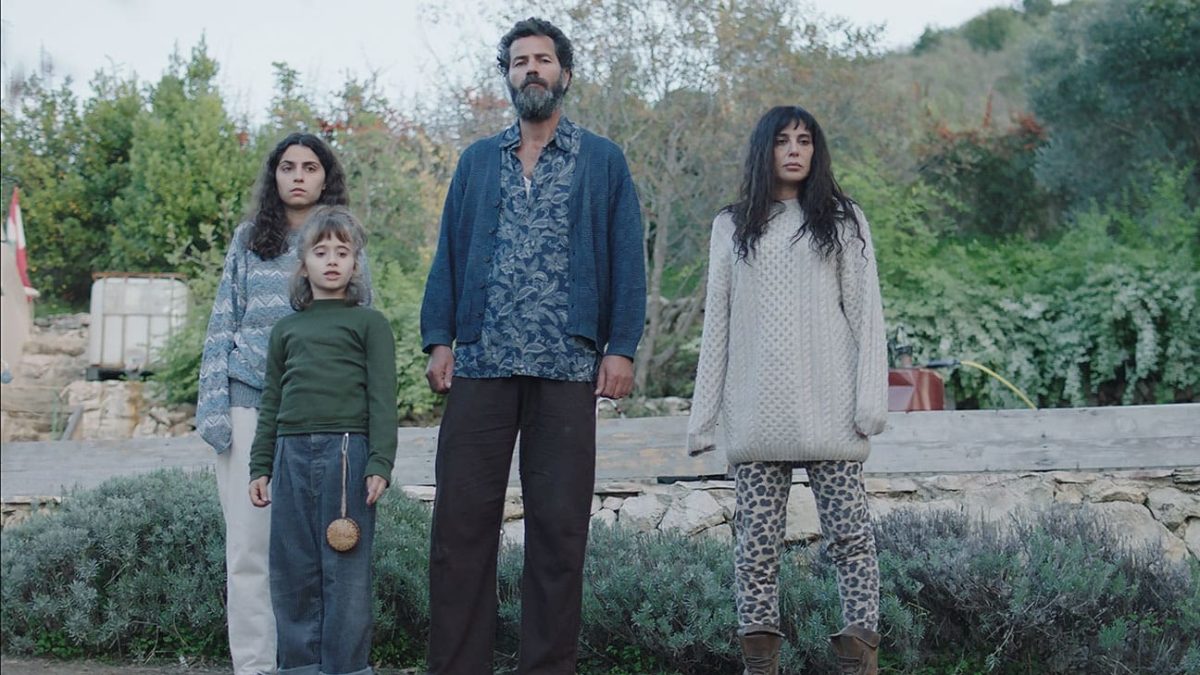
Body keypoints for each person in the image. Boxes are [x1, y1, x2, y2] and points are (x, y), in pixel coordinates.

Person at [419, 16, 646, 674]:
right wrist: (439, 338)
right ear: (509, 77)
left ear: (564, 74)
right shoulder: (476, 161)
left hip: (566, 365)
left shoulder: (601, 160)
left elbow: (626, 257)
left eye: (543, 60)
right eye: (520, 62)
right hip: (482, 361)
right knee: (460, 526)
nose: (532, 70)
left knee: (558, 532)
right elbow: (449, 253)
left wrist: (621, 346)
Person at [686, 106, 888, 675]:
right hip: (756, 413)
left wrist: (870, 403)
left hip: (833, 410)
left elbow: (866, 315)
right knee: (755, 547)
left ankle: (861, 661)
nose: (795, 150)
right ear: (764, 150)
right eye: (782, 141)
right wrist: (703, 419)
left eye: (804, 140)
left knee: (851, 539)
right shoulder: (731, 226)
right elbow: (718, 323)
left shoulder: (843, 220)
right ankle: (760, 666)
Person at [196, 132, 363, 675]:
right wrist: (214, 408)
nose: (298, 176)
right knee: (249, 546)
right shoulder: (250, 239)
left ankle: (308, 662)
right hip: (249, 405)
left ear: (325, 177)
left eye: (310, 167)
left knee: (311, 552)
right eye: (287, 166)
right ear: (274, 176)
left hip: (317, 416)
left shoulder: (339, 239)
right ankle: (254, 665)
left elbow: (360, 327)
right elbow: (222, 321)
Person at [248, 206, 397, 675]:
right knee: (293, 569)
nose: (331, 260)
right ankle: (298, 667)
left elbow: (383, 398)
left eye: (342, 252)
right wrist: (260, 465)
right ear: (302, 264)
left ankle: (347, 668)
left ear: (355, 264)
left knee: (345, 570)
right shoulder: (286, 329)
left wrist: (380, 462)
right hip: (290, 454)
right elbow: (271, 400)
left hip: (347, 455)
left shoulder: (370, 324)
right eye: (320, 251)